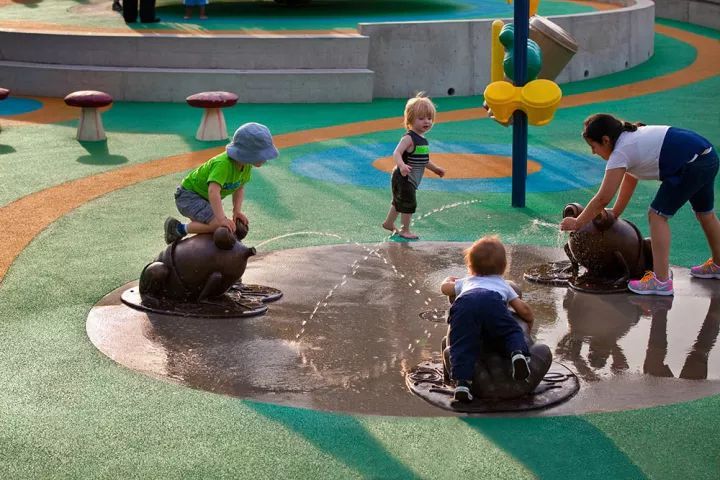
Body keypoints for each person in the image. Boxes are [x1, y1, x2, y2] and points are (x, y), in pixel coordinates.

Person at [560, 113, 720, 296]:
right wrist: (617, 211)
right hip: (707, 156)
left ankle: (661, 282)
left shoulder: (620, 151)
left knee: (657, 215)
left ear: (605, 140)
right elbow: (630, 177)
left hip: (691, 164)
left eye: (593, 146)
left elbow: (603, 198)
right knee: (705, 213)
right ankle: (718, 264)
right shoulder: (629, 139)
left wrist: (577, 222)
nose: (593, 152)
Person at [440, 235, 534, 403]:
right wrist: (529, 320)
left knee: (461, 344)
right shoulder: (502, 284)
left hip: (464, 305)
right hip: (492, 302)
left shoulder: (466, 281)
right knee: (510, 331)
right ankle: (517, 354)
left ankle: (462, 384)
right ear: (503, 267)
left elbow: (445, 289)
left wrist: (448, 280)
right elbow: (522, 309)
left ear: (470, 267)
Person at [164, 122, 278, 244]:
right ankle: (178, 229)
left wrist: (237, 211)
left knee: (212, 226)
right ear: (246, 153)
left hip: (203, 199)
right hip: (188, 196)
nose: (265, 159)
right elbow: (213, 191)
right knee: (217, 224)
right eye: (261, 154)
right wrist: (221, 219)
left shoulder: (246, 165)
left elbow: (239, 189)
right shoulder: (223, 164)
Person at [382, 93, 445, 239]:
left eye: (429, 118)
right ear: (410, 119)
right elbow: (396, 153)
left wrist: (436, 169)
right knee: (408, 203)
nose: (426, 122)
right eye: (421, 118)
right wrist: (402, 165)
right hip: (404, 176)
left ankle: (388, 223)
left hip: (410, 177)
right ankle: (405, 230)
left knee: (399, 201)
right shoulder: (408, 138)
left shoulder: (423, 140)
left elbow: (424, 160)